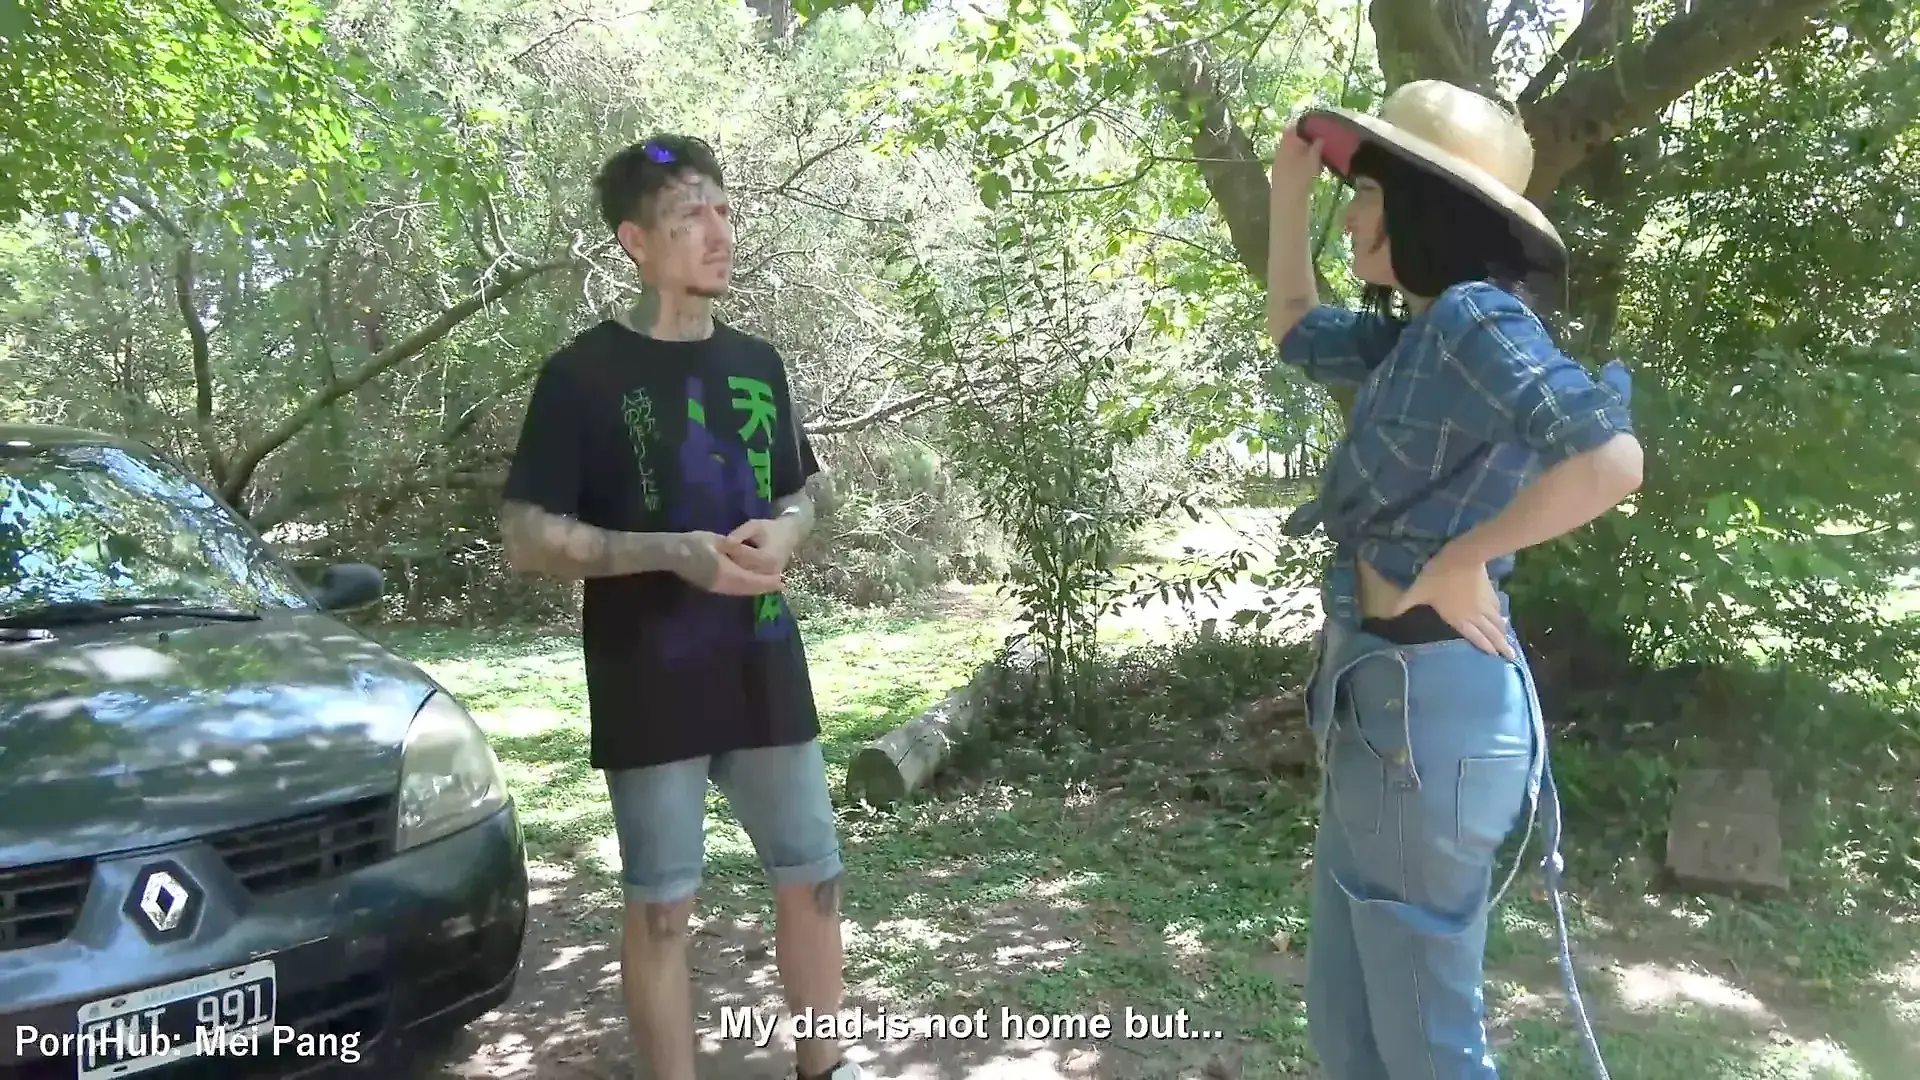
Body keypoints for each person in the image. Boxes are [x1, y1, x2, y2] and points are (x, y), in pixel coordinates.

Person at [1264, 82, 1642, 1078]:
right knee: (1349, 1028)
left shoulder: (1476, 319)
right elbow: (1295, 326)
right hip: (1379, 700)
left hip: (1427, 714)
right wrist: (1290, 191)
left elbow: (1611, 459)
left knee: (1426, 1050)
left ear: (1424, 206)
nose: (1353, 214)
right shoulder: (1418, 336)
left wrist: (1460, 559)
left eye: (1367, 192)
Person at [497, 133, 866, 1080]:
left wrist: (789, 528)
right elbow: (527, 533)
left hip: (762, 659)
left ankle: (825, 1066)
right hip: (647, 672)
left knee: (815, 878)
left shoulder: (758, 362)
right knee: (662, 906)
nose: (719, 233)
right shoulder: (581, 376)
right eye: (690, 216)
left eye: (724, 211)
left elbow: (802, 488)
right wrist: (669, 553)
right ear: (636, 241)